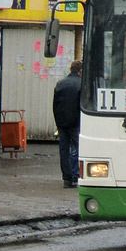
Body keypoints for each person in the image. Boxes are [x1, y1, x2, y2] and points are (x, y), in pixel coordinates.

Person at [53, 59, 82, 189]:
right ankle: (79, 176)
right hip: (76, 123)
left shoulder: (60, 84)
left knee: (64, 151)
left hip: (62, 123)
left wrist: (58, 123)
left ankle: (67, 179)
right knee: (80, 150)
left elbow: (55, 105)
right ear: (81, 71)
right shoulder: (81, 85)